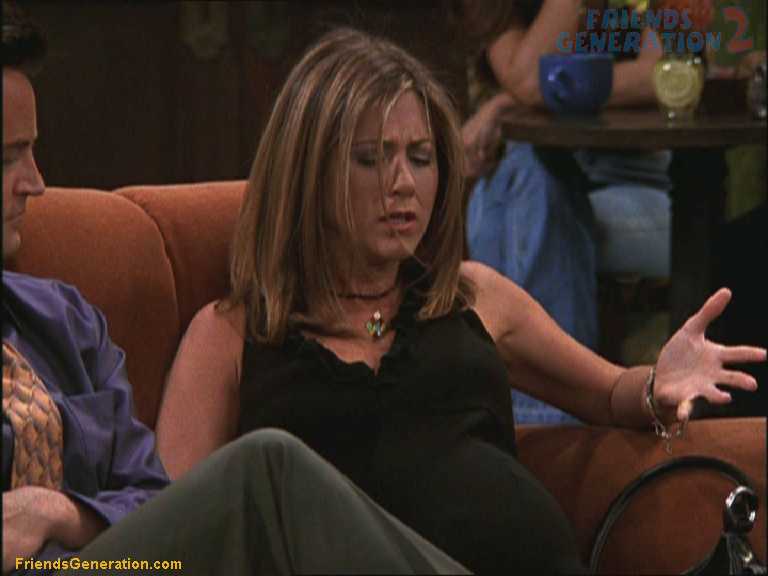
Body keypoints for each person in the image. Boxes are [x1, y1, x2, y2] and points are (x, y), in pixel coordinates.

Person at [155, 26, 765, 574]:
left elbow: (608, 393)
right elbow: (167, 538)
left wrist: (657, 383)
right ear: (307, 172)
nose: (403, 184)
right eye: (370, 159)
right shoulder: (230, 335)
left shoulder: (474, 296)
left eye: (420, 158)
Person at [1, 5, 469, 575]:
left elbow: (159, 500)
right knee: (268, 465)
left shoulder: (67, 321)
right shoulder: (230, 334)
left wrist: (57, 512)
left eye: (31, 151)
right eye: (6, 158)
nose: (35, 183)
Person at [454, 0, 674, 424]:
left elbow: (664, 71)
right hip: (520, 182)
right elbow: (526, 77)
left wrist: (511, 102)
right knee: (530, 183)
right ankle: (546, 429)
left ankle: (531, 428)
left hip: (631, 186)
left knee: (527, 206)